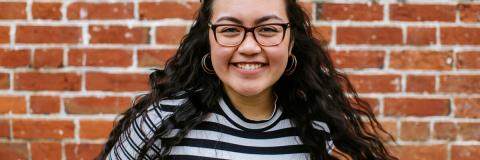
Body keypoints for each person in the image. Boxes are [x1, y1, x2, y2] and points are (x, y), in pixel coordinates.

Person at [97, 0, 398, 159]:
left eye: (268, 30)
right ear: (209, 41)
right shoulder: (163, 121)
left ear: (291, 42)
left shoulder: (316, 131)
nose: (250, 47)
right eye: (230, 30)